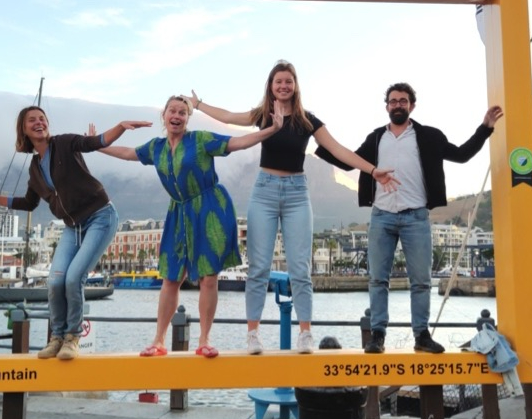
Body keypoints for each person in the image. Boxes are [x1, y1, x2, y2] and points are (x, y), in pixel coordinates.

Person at [188, 60, 398, 355]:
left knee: (300, 269)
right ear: (271, 86)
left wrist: (372, 170)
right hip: (264, 192)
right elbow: (228, 117)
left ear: (295, 85)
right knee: (258, 268)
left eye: (289, 81)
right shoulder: (262, 115)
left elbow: (339, 150)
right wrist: (199, 105)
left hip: (298, 194)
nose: (284, 86)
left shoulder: (306, 120)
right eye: (278, 81)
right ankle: (253, 335)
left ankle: (305, 334)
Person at [315, 82, 504, 354]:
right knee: (378, 280)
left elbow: (461, 155)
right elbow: (348, 161)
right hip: (381, 217)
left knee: (421, 281)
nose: (398, 105)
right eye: (393, 101)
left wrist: (485, 127)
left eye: (403, 101)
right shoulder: (376, 138)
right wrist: (318, 140)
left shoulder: (428, 136)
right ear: (387, 107)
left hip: (416, 217)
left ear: (412, 106)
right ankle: (377, 336)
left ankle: (421, 336)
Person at [96, 95, 285, 358]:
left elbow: (237, 143)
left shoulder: (200, 140)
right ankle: (158, 341)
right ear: (164, 115)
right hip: (178, 211)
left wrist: (272, 130)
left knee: (208, 277)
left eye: (182, 112)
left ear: (187, 118)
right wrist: (98, 146)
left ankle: (205, 340)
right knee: (171, 277)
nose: (176, 115)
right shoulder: (156, 148)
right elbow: (128, 154)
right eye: (172, 111)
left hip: (210, 209)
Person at [0, 106, 151, 360]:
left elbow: (95, 142)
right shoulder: (34, 167)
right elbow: (29, 203)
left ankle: (72, 338)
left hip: (100, 217)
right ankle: (57, 337)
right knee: (55, 281)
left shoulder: (64, 143)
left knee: (74, 279)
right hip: (72, 226)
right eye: (32, 120)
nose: (39, 122)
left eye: (42, 118)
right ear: (23, 128)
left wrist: (120, 126)